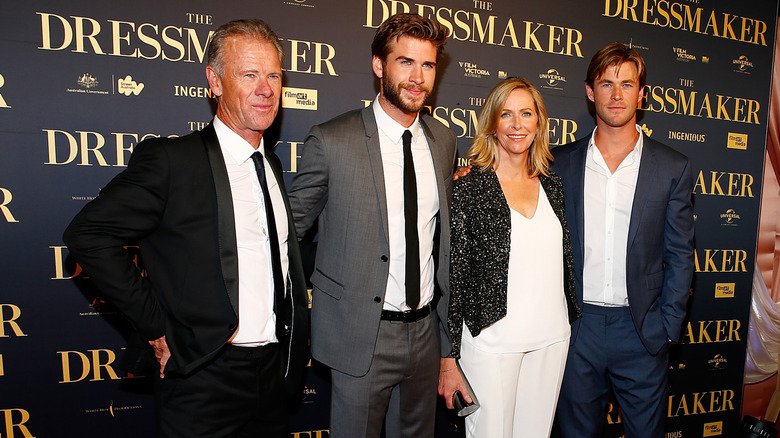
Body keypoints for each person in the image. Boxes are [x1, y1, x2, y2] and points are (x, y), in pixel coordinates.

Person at [62, 19, 308, 438]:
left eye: (273, 75)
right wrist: (155, 325)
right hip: (203, 377)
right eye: (249, 75)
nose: (266, 89)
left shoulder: (272, 165)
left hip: (274, 374)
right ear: (215, 81)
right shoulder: (173, 161)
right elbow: (88, 234)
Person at [287, 13, 456, 438]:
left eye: (428, 65)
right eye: (405, 62)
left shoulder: (444, 140)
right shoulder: (331, 140)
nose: (417, 77)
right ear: (379, 65)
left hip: (424, 334)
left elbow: (441, 242)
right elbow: (286, 236)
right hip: (361, 334)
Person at [552, 42, 695, 437]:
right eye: (606, 83)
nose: (616, 95)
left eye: (627, 85)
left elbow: (681, 254)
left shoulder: (672, 167)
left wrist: (667, 327)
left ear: (642, 93)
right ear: (589, 90)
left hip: (641, 330)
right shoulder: (559, 163)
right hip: (577, 329)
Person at [438, 77, 581, 437]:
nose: (517, 125)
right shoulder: (469, 186)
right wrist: (449, 355)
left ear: (539, 122)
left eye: (526, 114)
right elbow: (455, 275)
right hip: (491, 343)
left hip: (551, 338)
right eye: (507, 115)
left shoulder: (553, 185)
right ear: (492, 124)